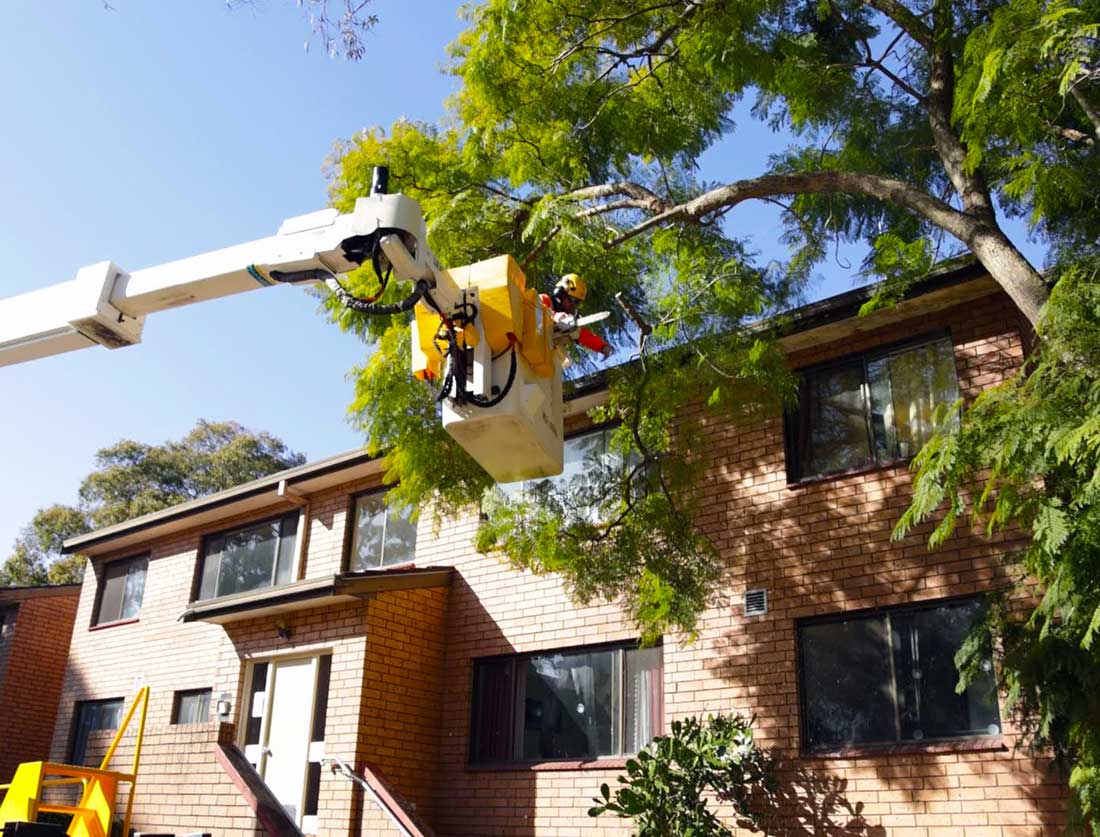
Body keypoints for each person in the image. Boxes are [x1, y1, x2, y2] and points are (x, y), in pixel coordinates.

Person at [540, 273, 613, 359]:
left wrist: (602, 346)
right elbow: (536, 309)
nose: (573, 305)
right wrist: (554, 316)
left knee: (573, 330)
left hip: (542, 354)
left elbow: (583, 335)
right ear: (560, 293)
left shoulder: (568, 322)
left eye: (577, 303)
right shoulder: (544, 300)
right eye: (573, 300)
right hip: (530, 337)